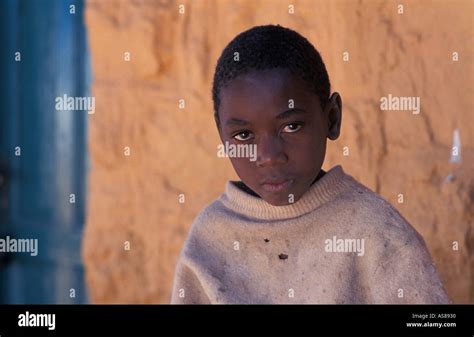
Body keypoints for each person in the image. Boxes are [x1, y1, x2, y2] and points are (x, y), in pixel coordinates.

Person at [170, 25, 450, 304]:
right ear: (222, 135)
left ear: (332, 118)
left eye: (291, 126)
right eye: (243, 136)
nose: (268, 156)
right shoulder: (209, 240)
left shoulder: (378, 235)